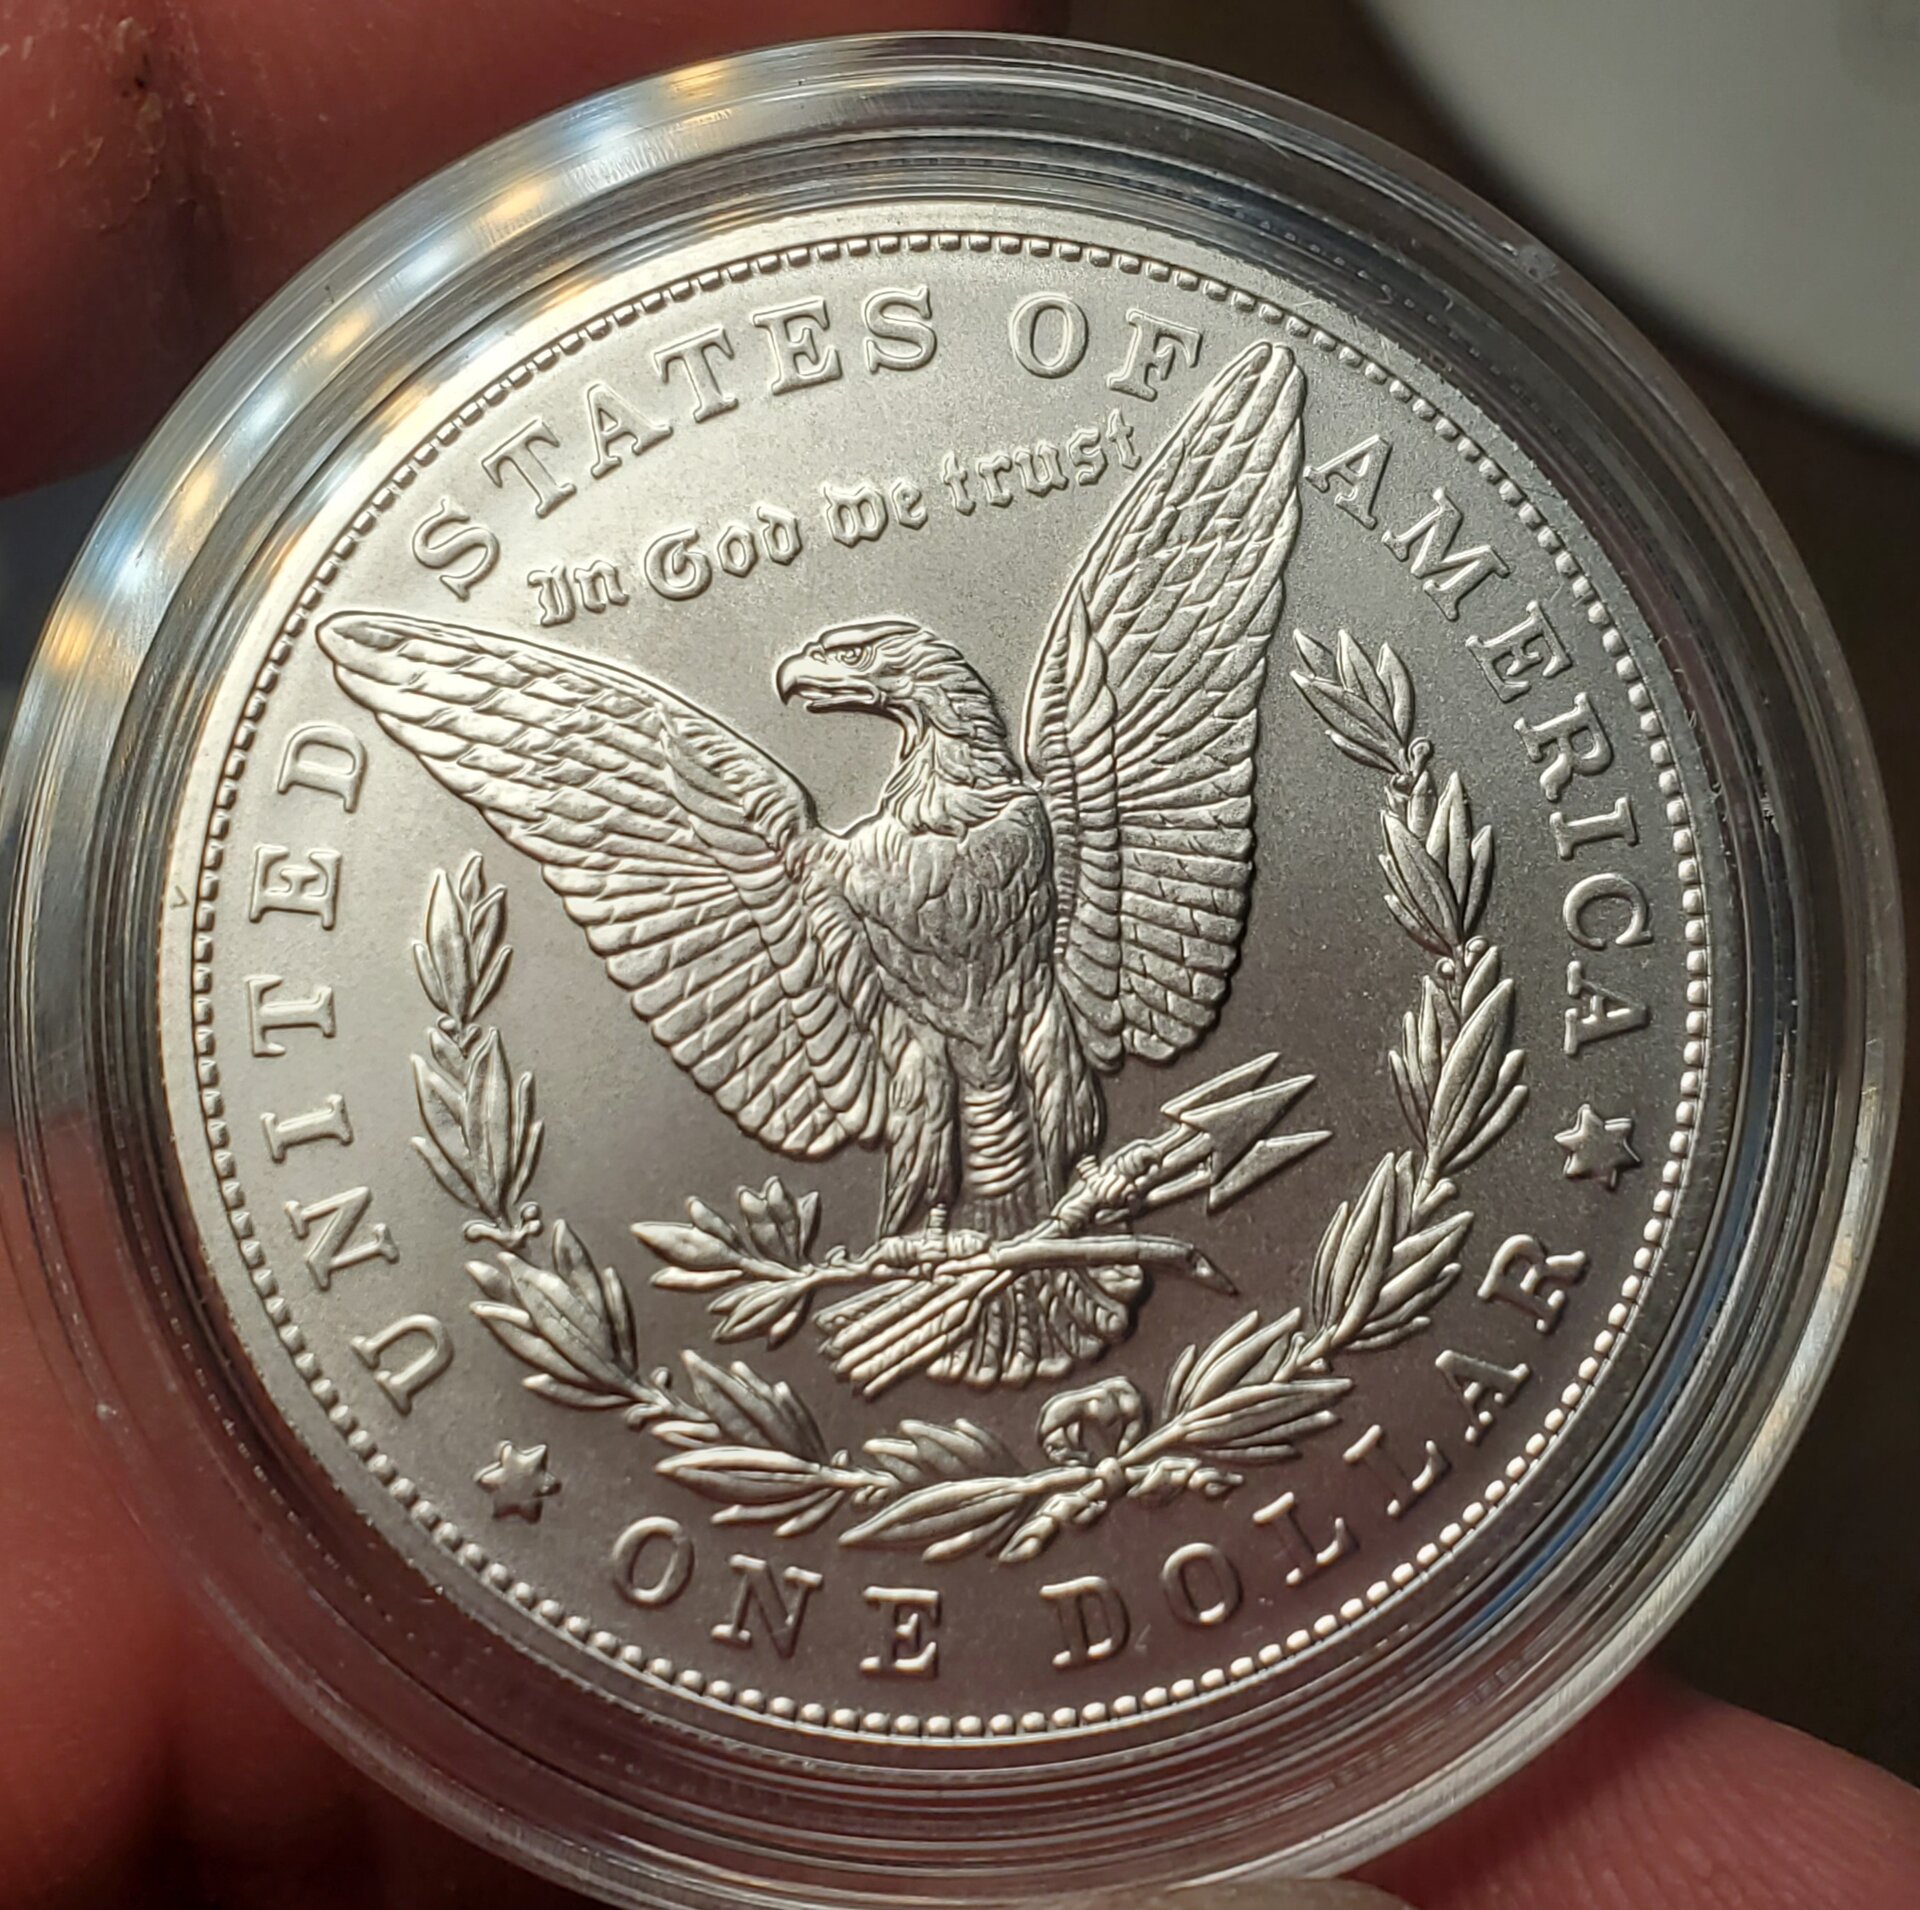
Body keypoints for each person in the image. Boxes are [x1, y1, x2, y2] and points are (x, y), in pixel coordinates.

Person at [0, 4, 1914, 1903]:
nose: (832, 682)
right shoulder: (810, 866)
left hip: (1066, 1079)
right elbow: (598, 779)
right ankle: (950, 1252)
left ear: (927, 699)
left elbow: (1178, 602)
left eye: (868, 673)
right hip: (915, 1122)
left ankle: (1042, 1229)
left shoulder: (1056, 791)